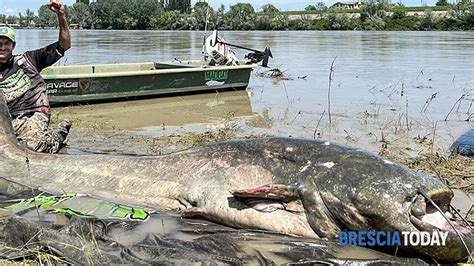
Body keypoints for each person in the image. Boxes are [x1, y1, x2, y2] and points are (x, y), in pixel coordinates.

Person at [0, 0, 71, 153]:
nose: (3, 47)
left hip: (34, 114)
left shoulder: (29, 60)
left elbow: (64, 45)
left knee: (31, 148)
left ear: (14, 46)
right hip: (8, 121)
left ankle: (56, 137)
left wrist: (61, 16)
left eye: (7, 43)